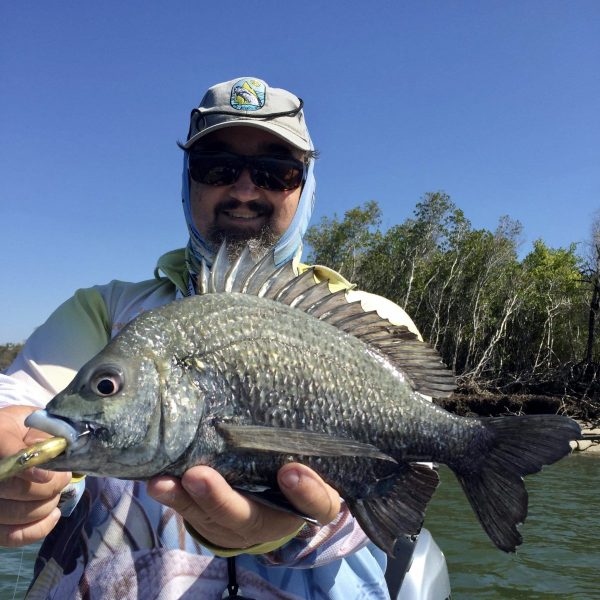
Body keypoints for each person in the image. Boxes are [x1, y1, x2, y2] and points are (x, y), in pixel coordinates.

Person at [0, 77, 425, 599]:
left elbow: (405, 484)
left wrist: (296, 525)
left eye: (276, 171)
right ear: (188, 181)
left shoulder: (371, 323)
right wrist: (18, 464)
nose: (244, 190)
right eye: (217, 167)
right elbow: (23, 405)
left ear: (305, 186)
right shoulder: (104, 313)